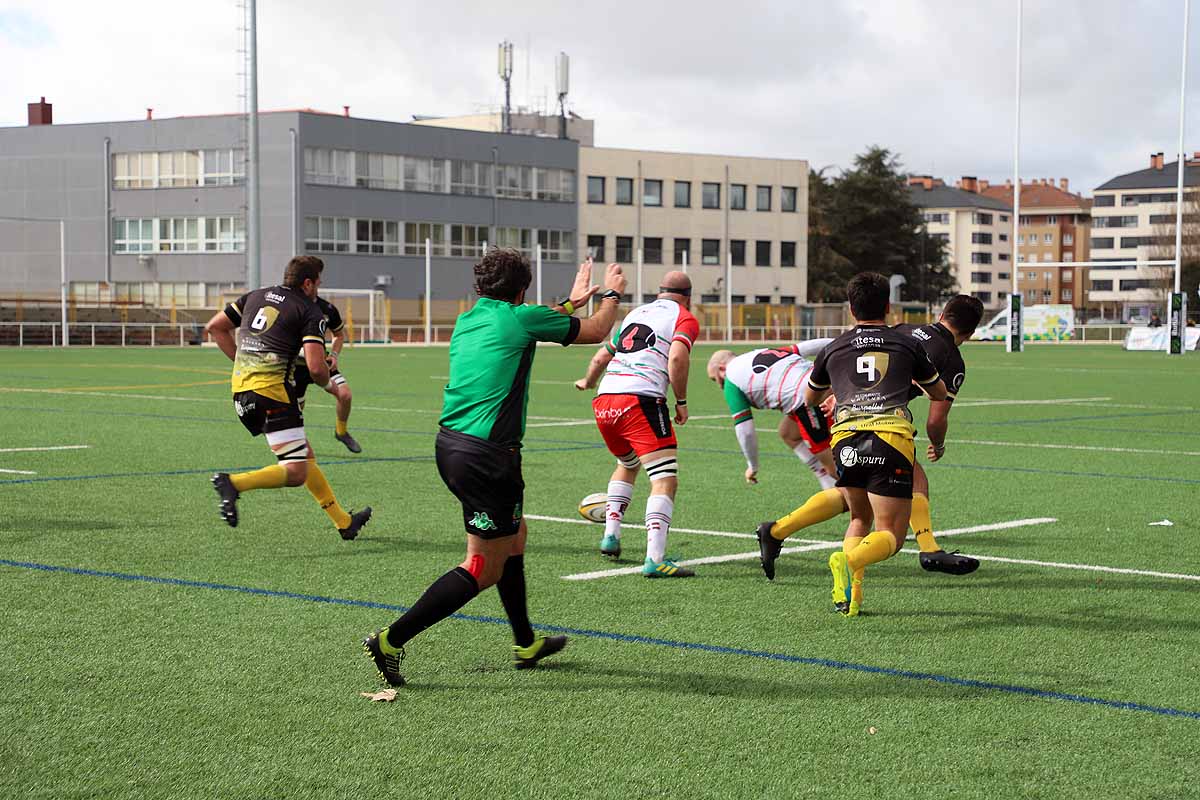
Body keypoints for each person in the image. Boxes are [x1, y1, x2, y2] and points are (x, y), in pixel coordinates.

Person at [362, 251, 627, 687]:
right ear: (521, 291)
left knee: (515, 536)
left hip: (451, 445)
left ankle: (525, 643)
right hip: (488, 456)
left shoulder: (471, 318)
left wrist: (570, 303)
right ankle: (391, 640)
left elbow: (533, 319)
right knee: (483, 566)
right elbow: (599, 330)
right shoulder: (521, 319)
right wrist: (613, 292)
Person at [757, 295, 985, 581]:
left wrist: (836, 396)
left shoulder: (901, 329)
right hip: (882, 424)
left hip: (844, 416)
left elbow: (862, 363)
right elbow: (936, 419)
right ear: (972, 332)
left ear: (942, 313)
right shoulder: (951, 358)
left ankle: (777, 531)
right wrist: (938, 444)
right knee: (909, 487)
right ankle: (928, 549)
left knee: (856, 504)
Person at [792, 272, 947, 616]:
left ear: (850, 308)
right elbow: (937, 391)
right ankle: (849, 560)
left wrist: (837, 390)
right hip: (888, 437)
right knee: (891, 536)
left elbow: (810, 398)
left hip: (845, 439)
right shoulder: (906, 344)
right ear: (889, 306)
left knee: (859, 517)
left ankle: (851, 596)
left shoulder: (834, 347)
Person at [204, 255, 372, 540]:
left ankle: (344, 522)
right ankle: (232, 483)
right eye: (318, 283)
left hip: (241, 393)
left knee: (304, 456)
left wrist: (241, 362)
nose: (318, 289)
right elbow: (317, 368)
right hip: (274, 395)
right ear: (308, 283)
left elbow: (216, 327)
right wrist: (327, 381)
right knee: (296, 473)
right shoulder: (309, 311)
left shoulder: (254, 296)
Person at [573, 271, 697, 577]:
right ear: (688, 297)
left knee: (627, 463)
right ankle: (655, 559)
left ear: (660, 292)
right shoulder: (684, 316)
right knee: (665, 478)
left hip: (604, 401)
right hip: (639, 400)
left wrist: (587, 381)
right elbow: (678, 359)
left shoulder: (637, 313)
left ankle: (611, 536)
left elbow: (602, 356)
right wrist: (680, 402)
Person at [704, 339, 837, 493]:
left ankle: (860, 505)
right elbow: (808, 347)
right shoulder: (762, 352)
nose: (720, 386)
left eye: (716, 380)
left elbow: (745, 431)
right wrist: (846, 340)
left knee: (833, 467)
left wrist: (752, 466)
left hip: (808, 399)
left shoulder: (730, 381)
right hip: (826, 382)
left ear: (721, 368)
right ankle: (825, 479)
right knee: (788, 433)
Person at [296, 295, 361, 453]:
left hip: (321, 362)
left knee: (345, 395)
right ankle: (296, 442)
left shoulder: (328, 309)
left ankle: (341, 431)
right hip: (296, 366)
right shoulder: (291, 304)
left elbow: (338, 335)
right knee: (297, 409)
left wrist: (334, 355)